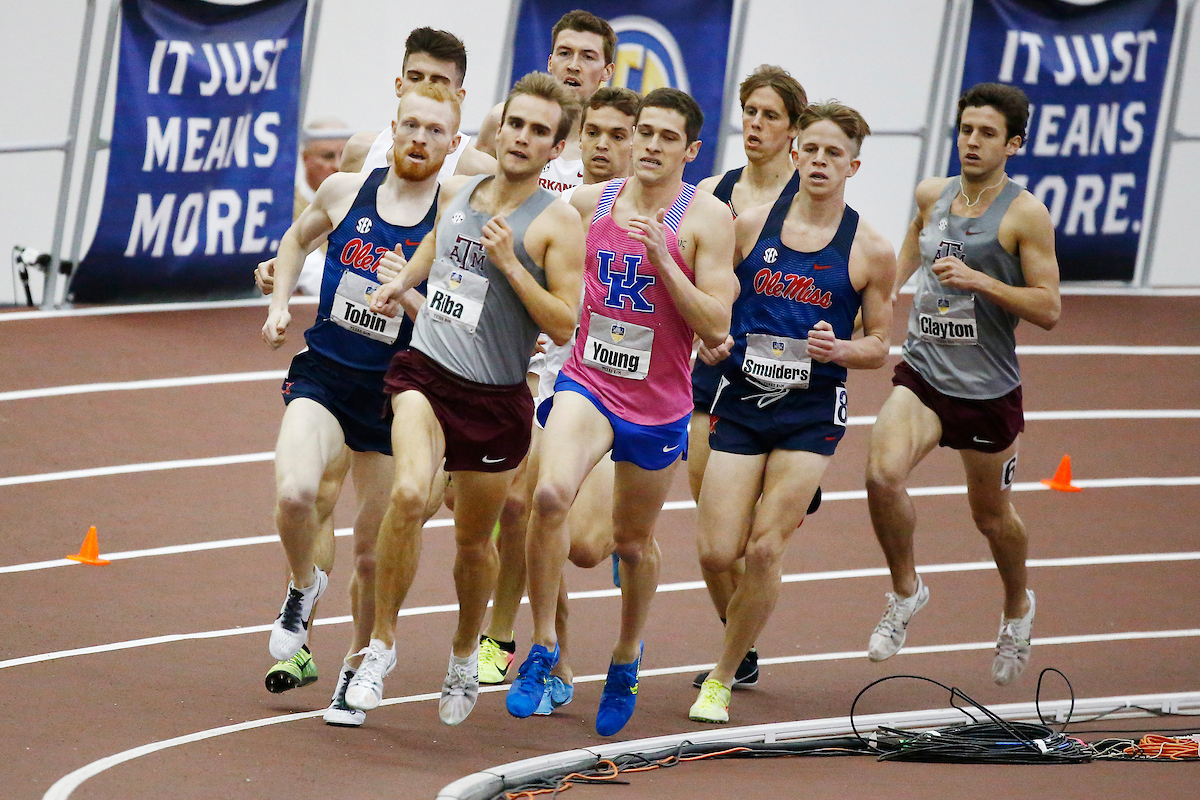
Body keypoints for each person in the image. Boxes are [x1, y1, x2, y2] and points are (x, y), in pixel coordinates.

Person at [342, 73, 585, 728]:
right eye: (517, 125)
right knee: (409, 494)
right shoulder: (457, 189)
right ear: (498, 130)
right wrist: (404, 284)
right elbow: (433, 243)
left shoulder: (557, 225)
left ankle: (462, 655)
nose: (524, 138)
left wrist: (509, 265)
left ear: (554, 147)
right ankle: (380, 648)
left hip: (497, 396)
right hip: (426, 371)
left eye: (540, 131)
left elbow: (564, 324)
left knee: (475, 545)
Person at [507, 87, 737, 737]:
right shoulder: (590, 203)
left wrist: (666, 257)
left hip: (659, 403)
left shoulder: (707, 220)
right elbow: (528, 234)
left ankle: (626, 656)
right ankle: (545, 647)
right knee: (547, 496)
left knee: (632, 545)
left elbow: (716, 320)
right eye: (646, 133)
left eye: (668, 137)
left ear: (690, 150)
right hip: (587, 381)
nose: (651, 146)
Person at [259, 82, 464, 728]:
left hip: (397, 395)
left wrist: (405, 296)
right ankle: (302, 586)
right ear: (394, 127)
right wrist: (278, 304)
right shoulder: (347, 191)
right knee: (295, 494)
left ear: (452, 145)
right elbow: (295, 240)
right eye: (411, 125)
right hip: (324, 374)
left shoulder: (451, 220)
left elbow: (461, 325)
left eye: (435, 131)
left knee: (374, 551)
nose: (420, 139)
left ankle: (355, 667)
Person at [688, 101, 896, 724]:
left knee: (765, 549)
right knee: (716, 551)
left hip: (811, 411)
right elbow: (715, 303)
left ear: (853, 165)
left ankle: (722, 678)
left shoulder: (870, 251)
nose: (820, 162)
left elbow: (881, 344)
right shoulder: (749, 226)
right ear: (796, 153)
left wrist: (844, 348)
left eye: (835, 153)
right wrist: (712, 337)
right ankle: (742, 638)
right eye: (812, 149)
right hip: (744, 398)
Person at [863, 82, 1060, 687]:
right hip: (924, 374)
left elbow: (1048, 308)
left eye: (987, 134)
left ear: (1014, 144)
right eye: (966, 129)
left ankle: (1016, 606)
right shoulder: (932, 194)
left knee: (992, 517)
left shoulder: (1025, 214)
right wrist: (875, 304)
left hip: (987, 391)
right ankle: (907, 591)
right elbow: (903, 260)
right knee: (880, 475)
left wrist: (982, 282)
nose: (972, 142)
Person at [479, 87, 642, 718]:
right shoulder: (566, 205)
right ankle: (553, 654)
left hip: (632, 396)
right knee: (529, 508)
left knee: (588, 545)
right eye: (593, 133)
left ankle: (629, 612)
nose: (603, 145)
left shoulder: (686, 214)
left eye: (619, 134)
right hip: (560, 384)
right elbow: (477, 178)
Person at [689, 64, 808, 692]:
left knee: (760, 539)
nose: (755, 125)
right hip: (711, 368)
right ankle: (740, 638)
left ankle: (731, 660)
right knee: (714, 536)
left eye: (769, 116)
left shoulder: (808, 197)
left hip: (783, 381)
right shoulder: (714, 190)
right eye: (749, 113)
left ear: (793, 128)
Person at [341, 28, 475, 179]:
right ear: (399, 86)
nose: (423, 89)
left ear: (459, 96)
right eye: (415, 79)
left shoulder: (476, 168)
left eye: (437, 83)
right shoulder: (360, 150)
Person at [293, 117, 350, 296]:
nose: (338, 165)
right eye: (328, 156)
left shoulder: (364, 205)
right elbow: (312, 277)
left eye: (345, 156)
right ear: (305, 158)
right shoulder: (286, 207)